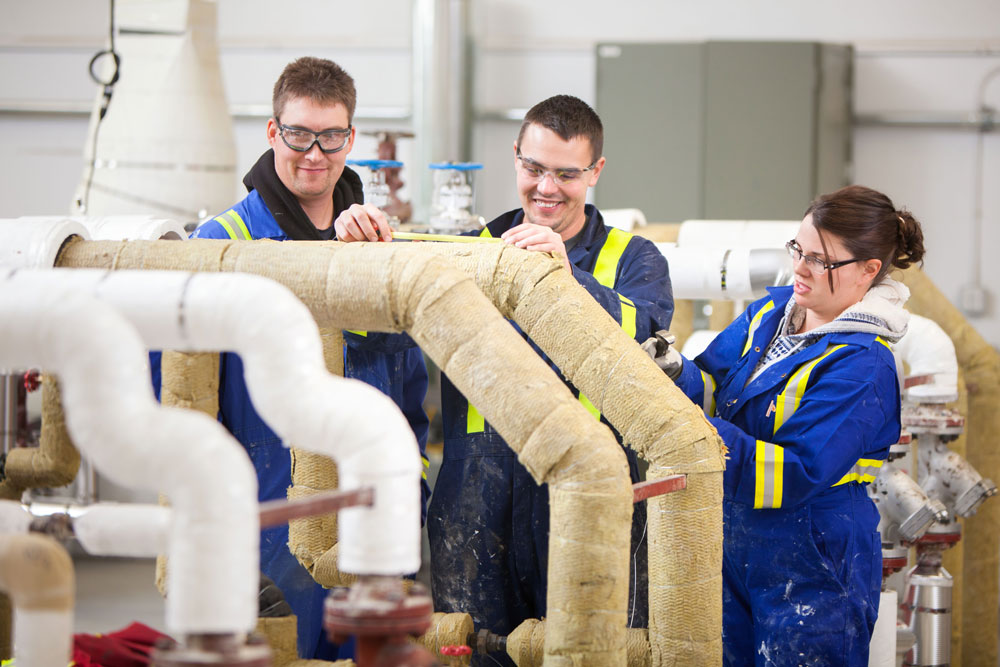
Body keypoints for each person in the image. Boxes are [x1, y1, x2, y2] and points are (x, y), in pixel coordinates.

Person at [336, 94, 674, 664]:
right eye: (533, 168)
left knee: (587, 655)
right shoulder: (471, 251)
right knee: (472, 655)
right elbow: (377, 338)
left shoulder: (634, 259)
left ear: (595, 171)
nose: (546, 188)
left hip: (586, 497)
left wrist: (565, 278)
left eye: (566, 174)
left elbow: (641, 346)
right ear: (515, 156)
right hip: (474, 500)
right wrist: (357, 257)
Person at [188, 57, 430, 660]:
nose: (314, 153)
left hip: (367, 515)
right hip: (263, 519)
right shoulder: (221, 244)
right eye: (298, 134)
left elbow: (407, 395)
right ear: (273, 132)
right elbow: (183, 399)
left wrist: (409, 496)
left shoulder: (379, 247)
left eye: (331, 137)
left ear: (351, 137)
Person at [645, 185, 925, 666]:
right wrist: (673, 370)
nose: (800, 268)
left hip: (814, 559)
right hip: (734, 542)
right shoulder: (769, 317)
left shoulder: (862, 365)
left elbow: (793, 472)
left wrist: (692, 432)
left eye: (821, 260)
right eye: (798, 249)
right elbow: (715, 388)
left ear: (868, 270)